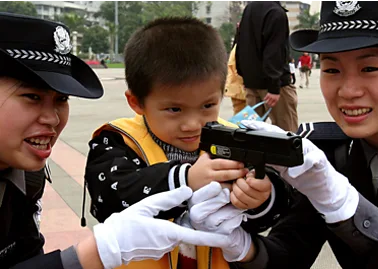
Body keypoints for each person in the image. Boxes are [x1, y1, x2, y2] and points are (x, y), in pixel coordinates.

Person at [186, 0, 378, 268]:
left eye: (370, 68)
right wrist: (241, 247)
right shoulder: (329, 152)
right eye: (331, 70)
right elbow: (288, 253)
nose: (348, 91)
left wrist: (346, 206)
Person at [0, 12, 233, 269]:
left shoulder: (25, 177)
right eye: (32, 97)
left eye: (61, 99)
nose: (52, 118)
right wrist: (93, 254)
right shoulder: (117, 143)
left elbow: (25, 255)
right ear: (136, 102)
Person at [83, 17, 291, 269]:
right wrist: (186, 180)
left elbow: (273, 211)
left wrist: (261, 198)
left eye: (207, 106)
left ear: (222, 93)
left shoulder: (235, 139)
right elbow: (108, 199)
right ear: (137, 102)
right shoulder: (117, 140)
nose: (193, 124)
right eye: (174, 109)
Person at [236, 0, 298, 132]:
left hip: (252, 83)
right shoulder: (276, 13)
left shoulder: (249, 9)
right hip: (275, 86)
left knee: (252, 132)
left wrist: (244, 76)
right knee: (287, 132)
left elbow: (240, 44)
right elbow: (274, 52)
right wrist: (274, 86)